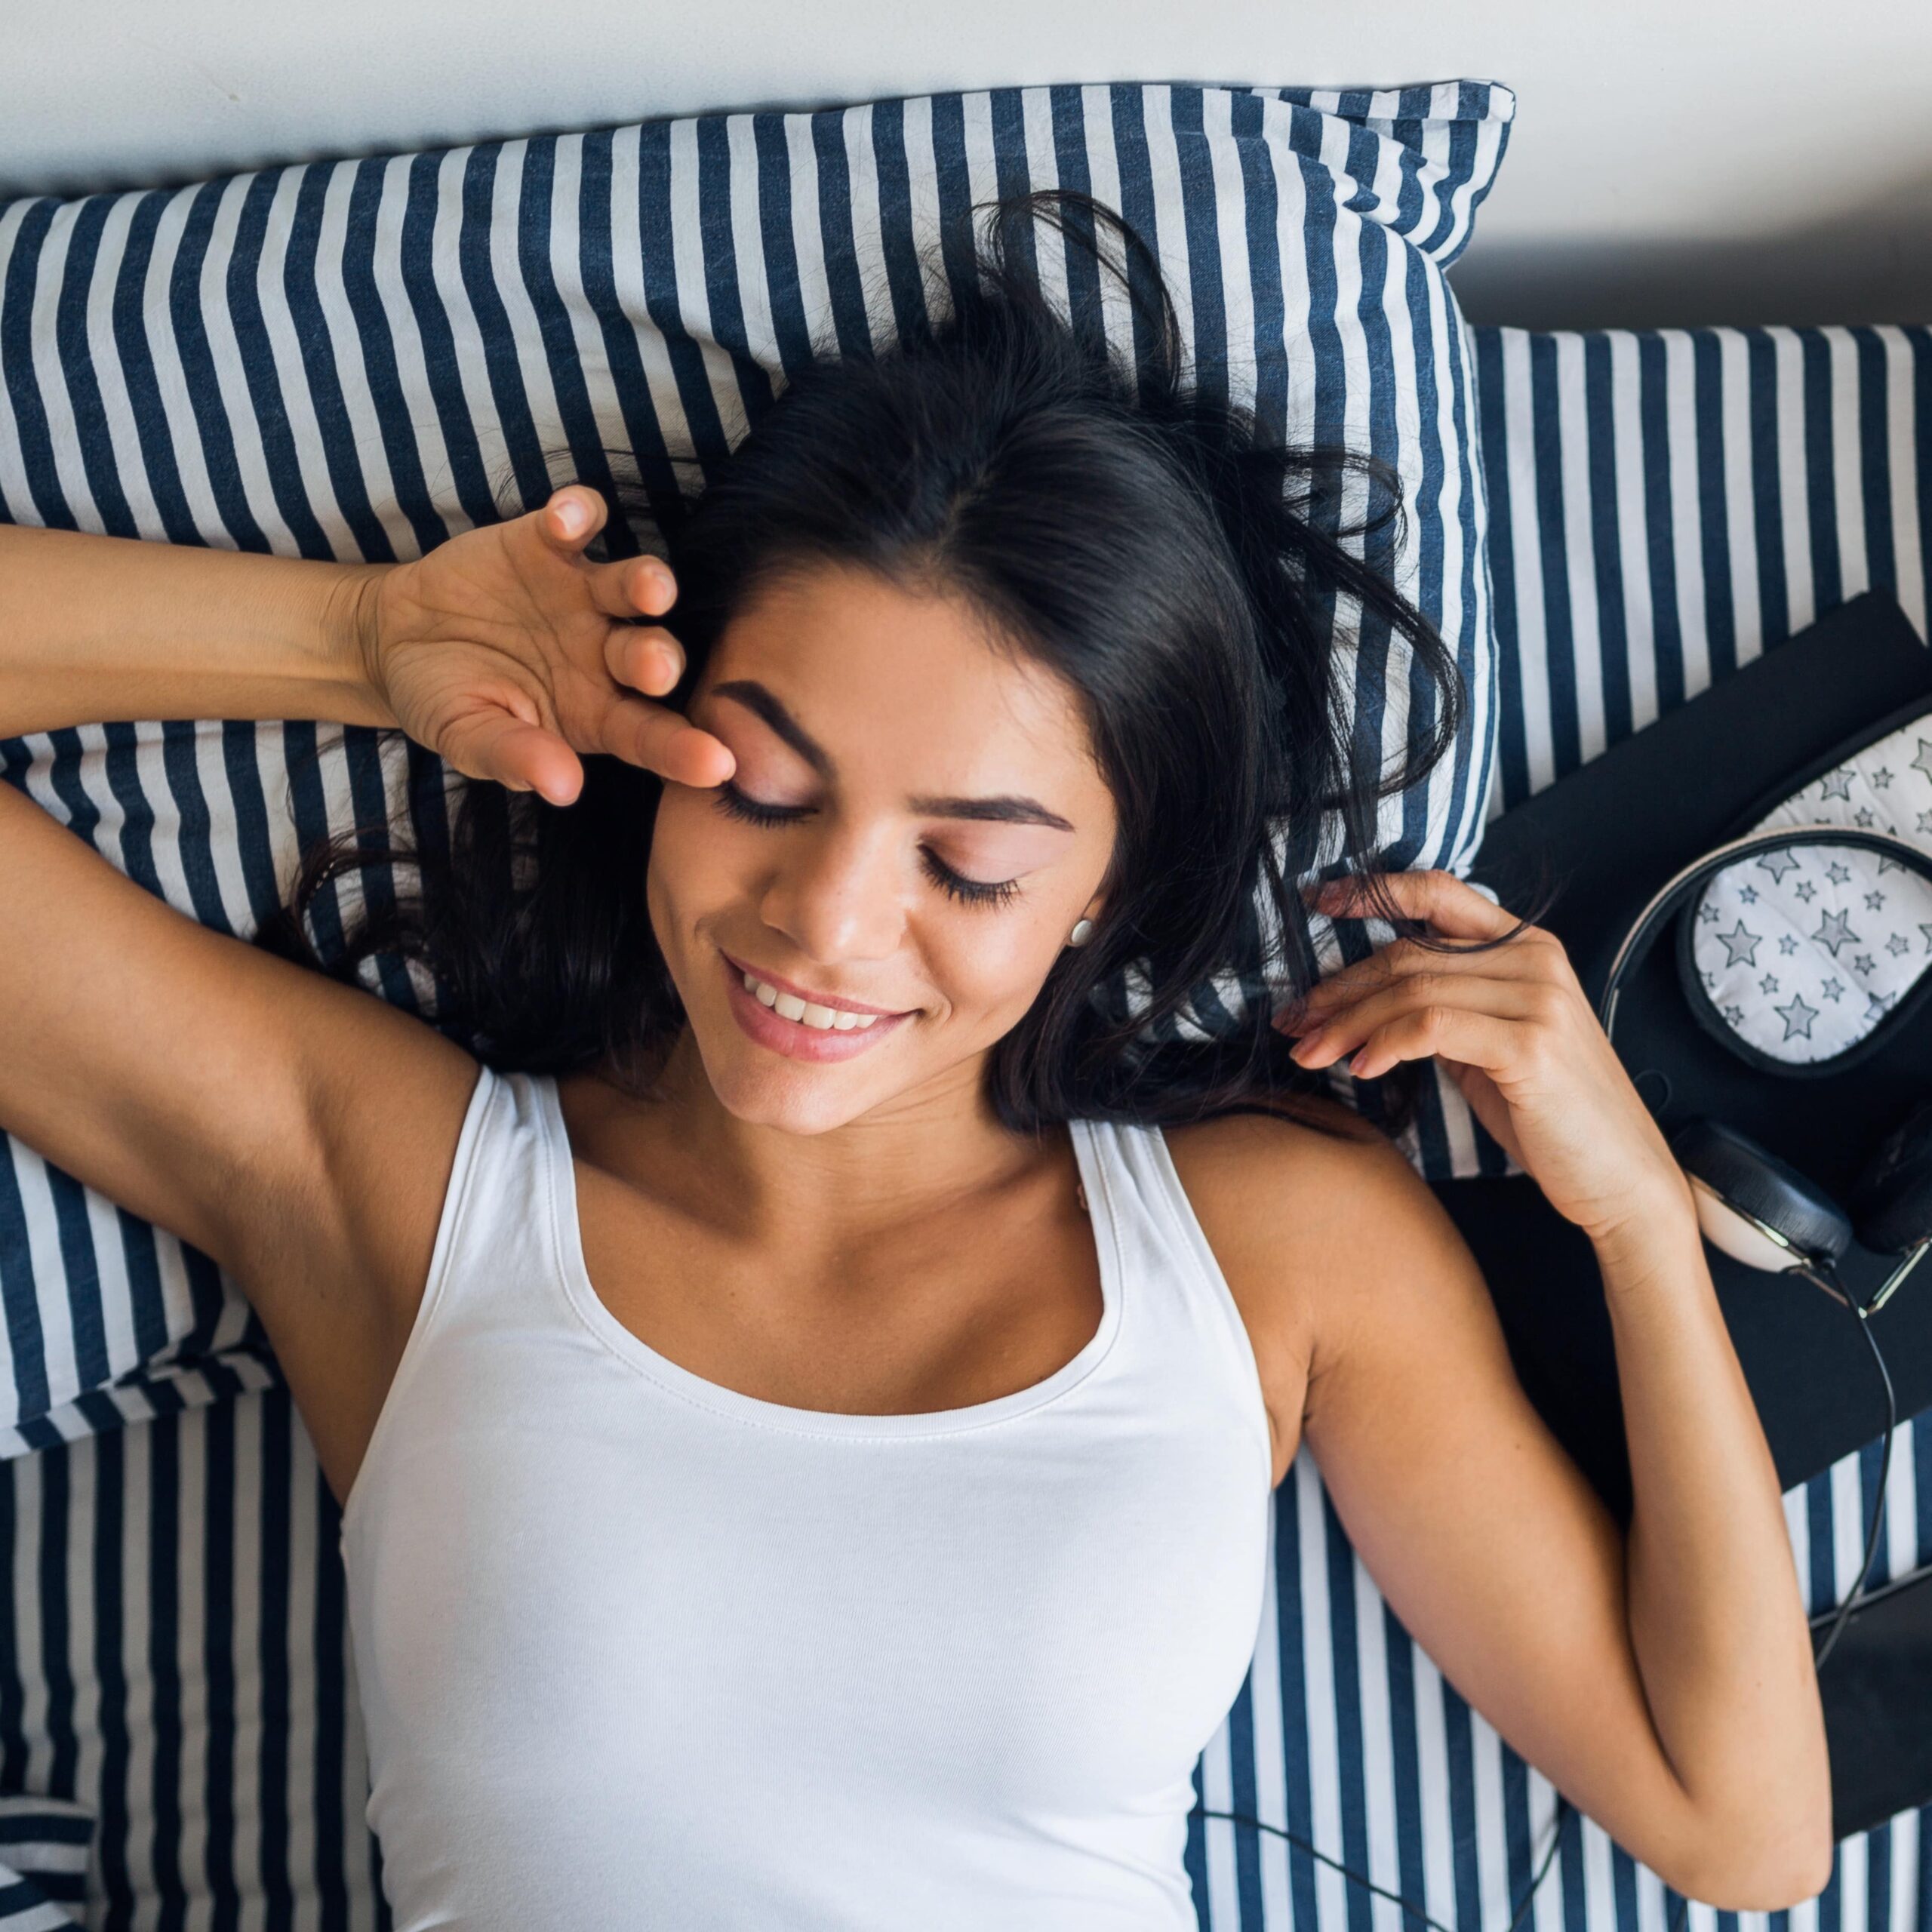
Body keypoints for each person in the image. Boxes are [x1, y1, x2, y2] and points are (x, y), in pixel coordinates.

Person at [0, 198, 1829, 1928]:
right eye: (766, 787)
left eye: (966, 861)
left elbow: (1736, 1823)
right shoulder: (404, 1190)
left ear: (1101, 897)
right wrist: (363, 641)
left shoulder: (1274, 1249)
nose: (825, 923)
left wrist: (1630, 1216)